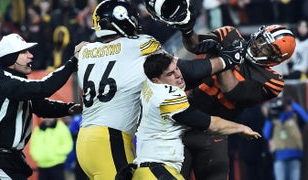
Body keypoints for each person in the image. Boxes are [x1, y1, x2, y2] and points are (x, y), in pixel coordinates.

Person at [75, 0, 245, 179]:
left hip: (86, 140)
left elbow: (82, 97)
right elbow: (181, 69)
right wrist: (227, 60)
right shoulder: (141, 44)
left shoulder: (86, 52)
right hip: (111, 138)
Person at [143, 1, 296, 179]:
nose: (258, 46)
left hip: (213, 133)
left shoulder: (273, 81)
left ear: (275, 58)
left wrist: (223, 56)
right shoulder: (230, 34)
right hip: (182, 121)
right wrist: (187, 29)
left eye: (267, 48)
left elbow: (232, 91)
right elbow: (195, 45)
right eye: (262, 40)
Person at [131, 52, 261, 179]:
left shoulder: (149, 84)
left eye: (176, 68)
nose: (178, 75)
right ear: (157, 80)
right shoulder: (167, 97)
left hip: (149, 169)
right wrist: (241, 128)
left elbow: (194, 75)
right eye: (170, 74)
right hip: (157, 171)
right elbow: (212, 124)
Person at [0, 33, 85, 179]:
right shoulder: (2, 81)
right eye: (23, 52)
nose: (30, 56)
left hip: (9, 159)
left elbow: (41, 107)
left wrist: (69, 108)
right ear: (10, 57)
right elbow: (44, 87)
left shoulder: (12, 79)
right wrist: (73, 61)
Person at [262, 97, 308, 180]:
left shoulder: (293, 116)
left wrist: (292, 105)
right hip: (280, 156)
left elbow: (306, 118)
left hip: (294, 154)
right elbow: (266, 135)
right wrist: (269, 117)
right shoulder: (273, 118)